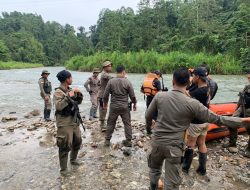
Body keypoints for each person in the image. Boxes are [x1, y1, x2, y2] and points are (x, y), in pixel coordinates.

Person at [145, 68, 250, 190]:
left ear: (173, 80)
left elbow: (148, 115)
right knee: (172, 182)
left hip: (157, 142)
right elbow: (218, 119)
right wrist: (243, 120)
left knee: (154, 170)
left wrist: (153, 125)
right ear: (189, 83)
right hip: (174, 147)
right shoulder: (193, 104)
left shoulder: (159, 96)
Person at [53, 70, 83, 176]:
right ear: (67, 79)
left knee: (77, 140)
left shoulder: (70, 89)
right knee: (64, 144)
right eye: (71, 77)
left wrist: (78, 94)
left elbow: (78, 102)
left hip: (74, 120)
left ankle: (73, 160)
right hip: (64, 121)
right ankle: (64, 169)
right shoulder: (58, 92)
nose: (72, 79)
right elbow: (59, 106)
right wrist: (68, 96)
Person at [182, 68, 210, 176]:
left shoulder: (198, 92)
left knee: (190, 144)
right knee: (202, 143)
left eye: (193, 76)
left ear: (198, 77)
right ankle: (202, 169)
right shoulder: (207, 88)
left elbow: (185, 94)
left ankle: (185, 168)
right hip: (206, 121)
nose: (192, 78)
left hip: (196, 122)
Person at [103, 65, 137, 147]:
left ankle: (107, 140)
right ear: (123, 72)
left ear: (116, 72)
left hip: (114, 106)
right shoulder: (127, 82)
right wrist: (134, 103)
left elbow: (105, 95)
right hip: (124, 107)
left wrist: (105, 104)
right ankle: (128, 141)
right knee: (127, 123)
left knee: (110, 123)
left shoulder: (111, 81)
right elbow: (132, 96)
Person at [223, 72, 250, 157]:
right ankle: (232, 143)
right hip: (242, 108)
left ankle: (249, 149)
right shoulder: (247, 87)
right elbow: (241, 97)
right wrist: (237, 108)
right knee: (231, 122)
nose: (248, 78)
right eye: (248, 78)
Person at [141, 70, 162, 135]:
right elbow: (160, 92)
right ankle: (156, 129)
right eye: (159, 76)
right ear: (157, 75)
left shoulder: (146, 80)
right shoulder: (157, 81)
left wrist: (148, 93)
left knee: (149, 113)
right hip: (155, 99)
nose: (159, 78)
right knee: (156, 114)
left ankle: (148, 129)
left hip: (148, 99)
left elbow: (142, 90)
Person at [98, 60, 113, 132]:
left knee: (105, 108)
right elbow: (111, 78)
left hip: (105, 95)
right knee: (102, 109)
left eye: (111, 66)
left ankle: (103, 123)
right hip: (102, 96)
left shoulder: (105, 73)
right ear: (105, 67)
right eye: (109, 66)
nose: (111, 67)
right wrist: (120, 77)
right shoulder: (104, 74)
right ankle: (102, 125)